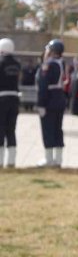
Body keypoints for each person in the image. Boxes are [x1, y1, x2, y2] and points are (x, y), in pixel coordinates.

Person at [36, 39, 67, 167]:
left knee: (48, 129)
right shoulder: (61, 63)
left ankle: (49, 159)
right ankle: (58, 159)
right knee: (57, 129)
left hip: (49, 100)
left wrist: (41, 104)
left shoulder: (49, 65)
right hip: (59, 98)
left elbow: (43, 85)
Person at [0, 38, 21, 168]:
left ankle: (0, 161)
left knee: (0, 129)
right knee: (11, 129)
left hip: (1, 97)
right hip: (14, 98)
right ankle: (12, 161)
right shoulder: (17, 64)